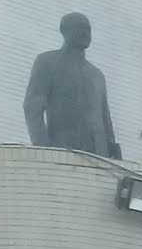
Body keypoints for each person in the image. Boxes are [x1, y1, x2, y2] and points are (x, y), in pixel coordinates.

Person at [23, 13, 121, 158]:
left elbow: (105, 119)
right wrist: (44, 149)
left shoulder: (97, 75)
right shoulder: (47, 62)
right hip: (64, 154)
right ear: (63, 30)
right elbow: (32, 108)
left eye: (88, 29)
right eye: (80, 27)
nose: (85, 33)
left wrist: (112, 150)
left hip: (99, 158)